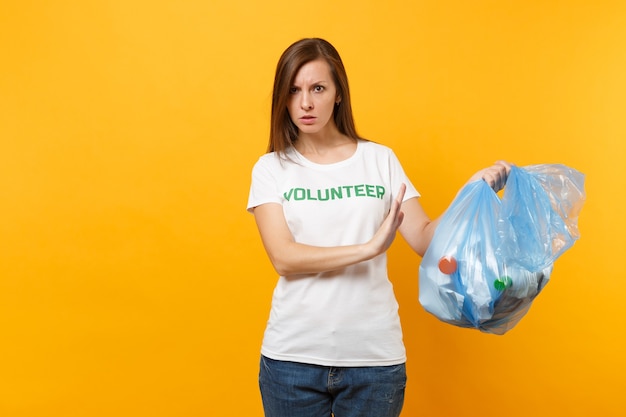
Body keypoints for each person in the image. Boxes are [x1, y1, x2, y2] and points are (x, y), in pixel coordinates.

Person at [247, 38, 510, 417]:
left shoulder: (379, 160)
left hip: (374, 361)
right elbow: (284, 258)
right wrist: (368, 248)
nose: (305, 103)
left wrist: (472, 193)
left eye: (318, 88)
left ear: (338, 94)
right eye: (294, 90)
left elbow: (424, 238)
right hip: (292, 360)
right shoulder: (271, 168)